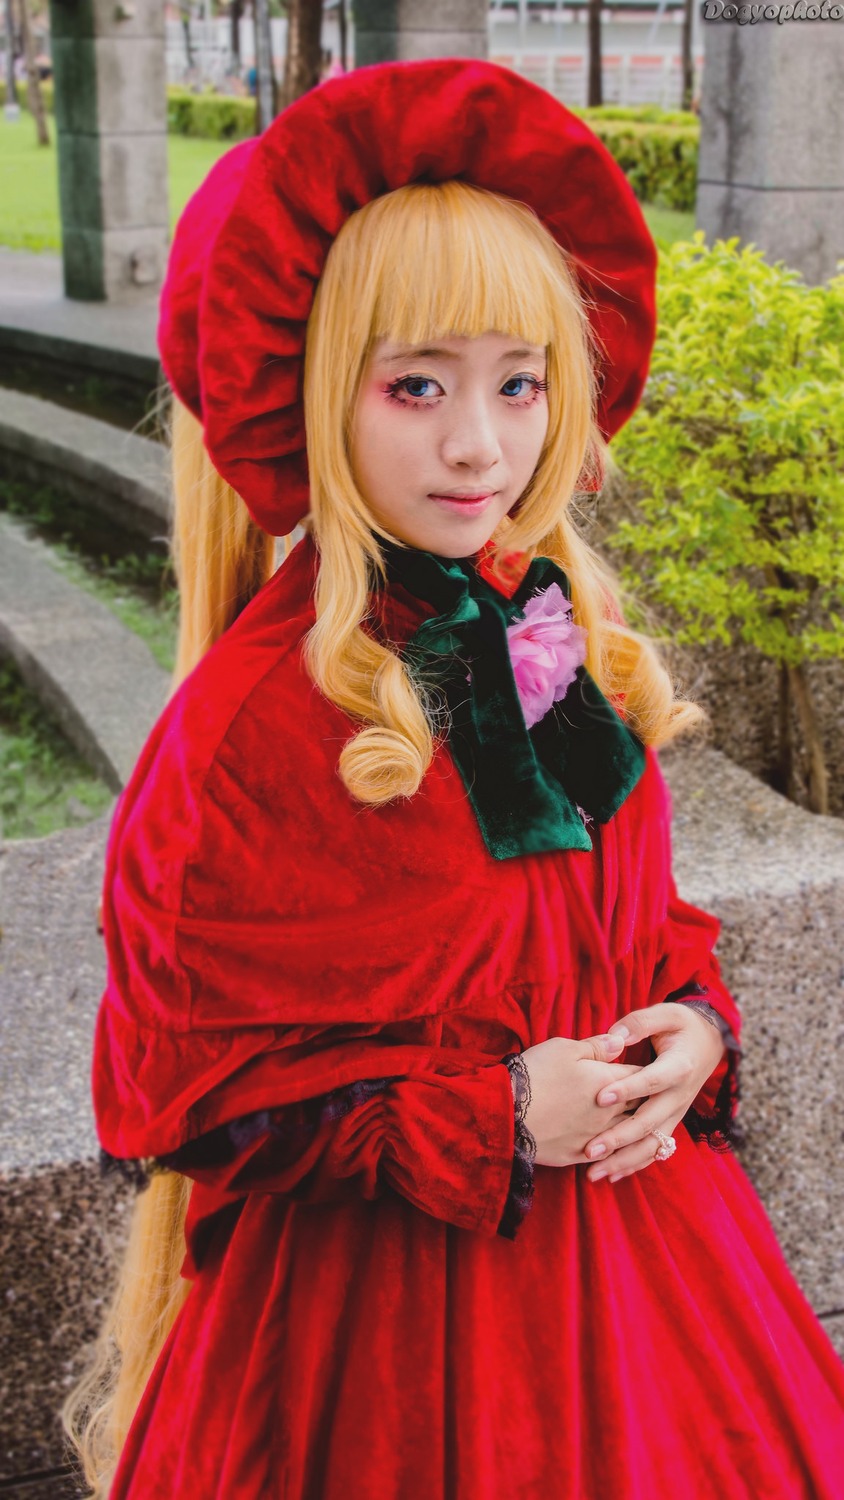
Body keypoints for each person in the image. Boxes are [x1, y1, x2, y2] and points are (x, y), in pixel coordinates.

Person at [67, 59, 844, 1500]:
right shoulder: (252, 723)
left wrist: (689, 1030)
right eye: (416, 385)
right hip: (384, 1356)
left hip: (659, 1288)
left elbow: (626, 932)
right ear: (312, 392)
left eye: (519, 381)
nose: (480, 443)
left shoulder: (550, 636)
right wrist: (488, 1120)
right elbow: (182, 1090)